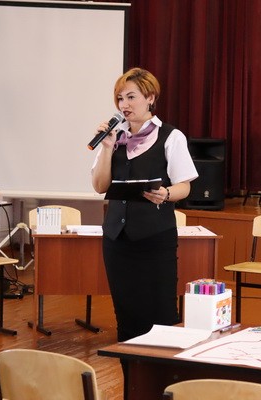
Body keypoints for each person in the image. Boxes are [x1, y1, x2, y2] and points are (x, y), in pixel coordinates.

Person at [91, 67, 198, 345]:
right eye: (120, 98)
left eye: (131, 97)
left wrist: (166, 193)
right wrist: (106, 148)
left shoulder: (171, 136)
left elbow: (185, 185)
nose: (123, 105)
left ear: (150, 98)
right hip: (116, 240)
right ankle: (131, 370)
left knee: (161, 312)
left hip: (154, 239)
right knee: (126, 313)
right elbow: (100, 186)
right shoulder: (114, 138)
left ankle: (163, 370)